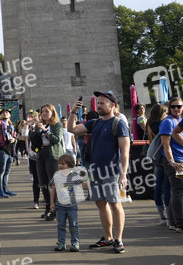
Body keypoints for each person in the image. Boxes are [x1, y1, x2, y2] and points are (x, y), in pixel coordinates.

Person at [69, 91, 130, 254]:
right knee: (101, 204)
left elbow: (125, 152)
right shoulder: (95, 123)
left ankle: (119, 239)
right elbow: (71, 129)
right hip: (94, 172)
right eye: (98, 103)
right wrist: (73, 111)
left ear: (112, 105)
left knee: (115, 204)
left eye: (103, 103)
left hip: (112, 172)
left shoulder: (119, 123)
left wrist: (123, 174)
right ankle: (108, 237)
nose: (99, 105)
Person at [48, 153, 89, 251]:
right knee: (60, 226)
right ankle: (61, 243)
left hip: (72, 206)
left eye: (63, 164)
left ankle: (75, 243)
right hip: (60, 206)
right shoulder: (57, 176)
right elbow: (53, 190)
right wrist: (52, 203)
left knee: (73, 225)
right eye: (59, 163)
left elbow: (84, 187)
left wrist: (90, 179)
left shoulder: (75, 176)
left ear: (70, 165)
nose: (60, 166)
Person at [32, 104, 65, 221]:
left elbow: (56, 139)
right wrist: (33, 129)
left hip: (53, 154)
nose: (44, 113)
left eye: (47, 111)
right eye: (42, 112)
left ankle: (55, 209)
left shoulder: (57, 125)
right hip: (41, 154)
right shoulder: (39, 125)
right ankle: (48, 207)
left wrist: (45, 130)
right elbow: (34, 140)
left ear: (52, 113)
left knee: (53, 183)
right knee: (42, 182)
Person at [157, 97, 183, 232]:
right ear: (169, 108)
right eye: (173, 106)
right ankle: (179, 223)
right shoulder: (168, 122)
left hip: (180, 159)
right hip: (175, 161)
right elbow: (165, 144)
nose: (176, 109)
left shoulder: (178, 121)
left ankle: (173, 222)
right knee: (178, 190)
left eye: (179, 106)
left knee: (176, 190)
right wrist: (172, 162)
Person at [146, 103, 170, 224]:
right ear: (161, 113)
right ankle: (169, 214)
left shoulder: (149, 124)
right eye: (165, 112)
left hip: (155, 156)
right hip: (164, 156)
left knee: (159, 185)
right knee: (167, 185)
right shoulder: (163, 124)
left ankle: (162, 214)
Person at [0, 108, 17, 198]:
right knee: (1, 170)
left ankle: (5, 189)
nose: (4, 114)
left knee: (7, 171)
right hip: (1, 149)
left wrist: (14, 140)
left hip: (10, 150)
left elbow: (15, 137)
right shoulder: (0, 123)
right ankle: (0, 191)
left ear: (10, 115)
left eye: (6, 112)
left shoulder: (12, 126)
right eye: (2, 113)